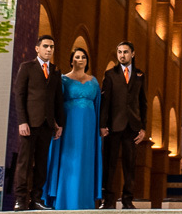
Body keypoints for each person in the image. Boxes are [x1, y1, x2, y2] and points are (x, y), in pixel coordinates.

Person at [41, 47, 103, 210]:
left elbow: (98, 106)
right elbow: (56, 102)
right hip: (69, 126)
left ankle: (84, 201)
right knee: (69, 159)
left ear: (87, 61)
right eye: (77, 57)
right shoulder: (63, 80)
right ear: (71, 60)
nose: (80, 59)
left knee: (86, 161)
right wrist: (56, 123)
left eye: (83, 57)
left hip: (89, 128)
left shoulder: (94, 81)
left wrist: (100, 128)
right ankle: (65, 199)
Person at [13, 35, 65, 211]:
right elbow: (19, 96)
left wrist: (59, 123)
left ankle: (36, 199)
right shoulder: (27, 67)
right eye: (45, 46)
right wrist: (22, 121)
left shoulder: (55, 71)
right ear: (37, 48)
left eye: (52, 47)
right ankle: (20, 199)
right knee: (25, 163)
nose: (49, 49)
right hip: (29, 124)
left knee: (42, 164)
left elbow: (58, 99)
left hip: (47, 125)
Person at [99, 41, 147, 209]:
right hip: (113, 126)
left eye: (125, 52)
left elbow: (143, 102)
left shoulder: (140, 75)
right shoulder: (110, 74)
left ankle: (127, 200)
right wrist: (102, 124)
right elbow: (105, 102)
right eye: (119, 52)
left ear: (132, 54)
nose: (122, 55)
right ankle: (108, 201)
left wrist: (143, 128)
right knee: (109, 164)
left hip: (132, 127)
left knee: (130, 165)